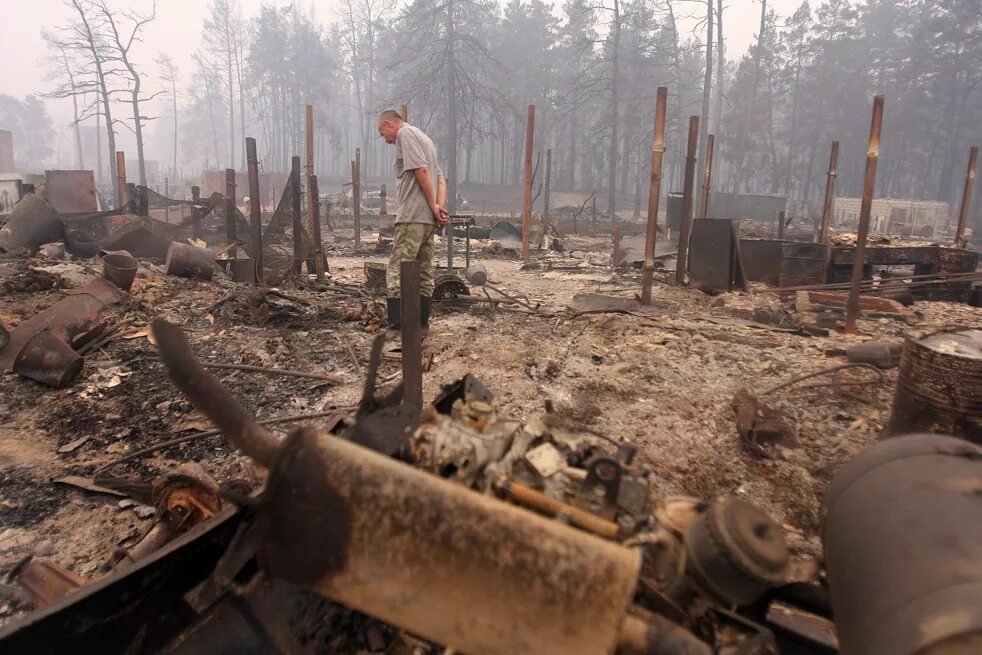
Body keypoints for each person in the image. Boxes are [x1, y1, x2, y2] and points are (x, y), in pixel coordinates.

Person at [377, 109, 448, 335]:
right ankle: (422, 324)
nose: (386, 140)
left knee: (398, 267)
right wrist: (438, 208)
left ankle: (397, 326)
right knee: (425, 269)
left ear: (390, 124)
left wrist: (432, 205)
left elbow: (422, 170)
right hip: (428, 221)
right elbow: (441, 179)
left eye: (383, 133)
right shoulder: (426, 139)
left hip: (412, 216)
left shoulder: (405, 135)